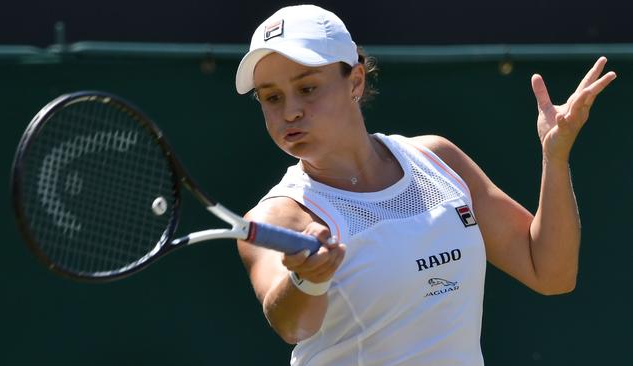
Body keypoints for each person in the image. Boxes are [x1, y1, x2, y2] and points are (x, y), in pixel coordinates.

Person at [234, 4, 616, 365]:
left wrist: (555, 156)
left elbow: (551, 273)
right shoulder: (276, 216)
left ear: (355, 80)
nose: (290, 111)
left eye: (308, 88)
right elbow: (291, 325)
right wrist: (308, 278)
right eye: (271, 97)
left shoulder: (439, 159)